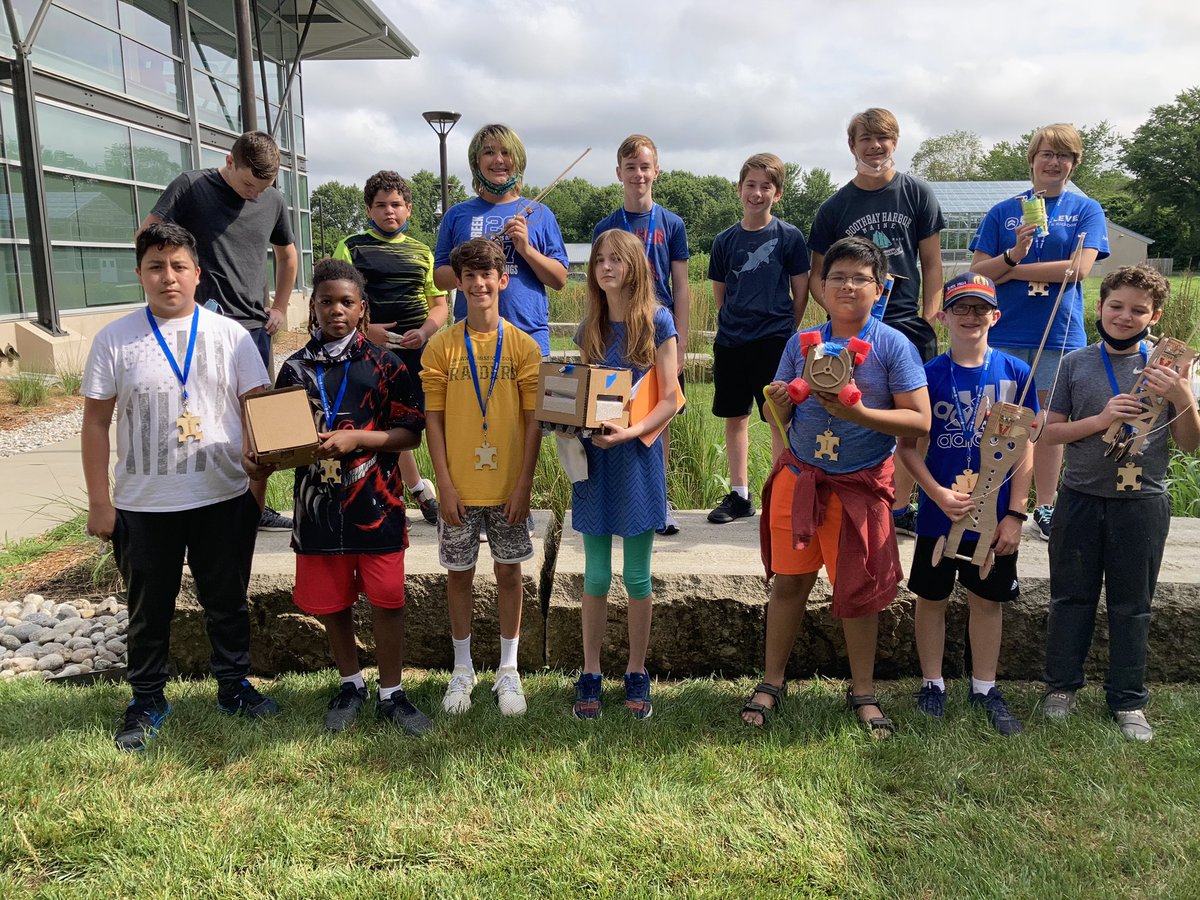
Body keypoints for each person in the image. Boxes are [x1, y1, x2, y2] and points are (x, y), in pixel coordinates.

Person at [81, 223, 278, 752]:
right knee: (149, 608)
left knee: (227, 601)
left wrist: (257, 482)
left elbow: (256, 408)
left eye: (178, 267)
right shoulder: (115, 339)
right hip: (144, 504)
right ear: (140, 273)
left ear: (197, 274)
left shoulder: (231, 335)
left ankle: (233, 687)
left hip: (222, 495)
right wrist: (100, 502)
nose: (167, 277)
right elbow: (96, 423)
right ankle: (146, 698)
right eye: (155, 267)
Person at [742, 236, 929, 737]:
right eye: (838, 277)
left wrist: (858, 412)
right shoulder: (801, 343)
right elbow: (770, 415)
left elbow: (919, 421)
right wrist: (779, 400)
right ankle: (773, 679)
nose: (848, 286)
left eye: (860, 278)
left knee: (858, 592)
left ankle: (863, 690)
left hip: (859, 487)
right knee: (789, 582)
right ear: (822, 287)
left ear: (880, 287)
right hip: (802, 478)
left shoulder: (893, 345)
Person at [1040, 265, 1199, 742]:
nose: (1125, 316)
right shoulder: (1075, 363)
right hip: (1081, 498)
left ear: (1155, 315)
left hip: (1142, 503)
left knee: (1133, 605)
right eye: (1116, 306)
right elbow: (1047, 433)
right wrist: (1101, 418)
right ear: (1099, 306)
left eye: (1138, 310)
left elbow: (1192, 445)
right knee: (1070, 598)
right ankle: (1061, 688)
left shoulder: (1170, 368)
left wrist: (1182, 393)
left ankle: (1128, 700)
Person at [271, 258, 430, 735]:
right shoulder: (295, 368)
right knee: (332, 601)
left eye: (346, 302)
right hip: (318, 507)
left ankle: (391, 692)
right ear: (313, 308)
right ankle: (350, 683)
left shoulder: (386, 365)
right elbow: (281, 440)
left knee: (387, 599)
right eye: (326, 302)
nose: (336, 310)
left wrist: (359, 439)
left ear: (363, 308)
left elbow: (409, 435)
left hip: (376, 504)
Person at [897, 273, 1037, 735]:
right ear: (942, 316)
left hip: (994, 516)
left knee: (986, 601)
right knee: (931, 598)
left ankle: (984, 687)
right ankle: (933, 683)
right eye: (961, 308)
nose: (971, 316)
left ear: (996, 316)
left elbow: (1026, 448)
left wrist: (1016, 513)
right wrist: (934, 493)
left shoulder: (1016, 373)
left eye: (980, 308)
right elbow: (908, 447)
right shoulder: (928, 374)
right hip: (941, 511)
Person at [139, 130, 299, 533]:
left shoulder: (272, 200)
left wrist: (279, 306)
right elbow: (147, 237)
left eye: (262, 188)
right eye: (248, 184)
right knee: (197, 416)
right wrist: (168, 296)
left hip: (252, 330)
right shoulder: (191, 187)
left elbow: (288, 255)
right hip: (197, 329)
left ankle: (253, 512)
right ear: (230, 161)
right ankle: (194, 506)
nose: (253, 195)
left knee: (260, 425)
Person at [969, 123, 1110, 541]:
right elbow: (978, 273)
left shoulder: (1086, 209)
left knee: (1048, 422)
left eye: (1063, 156)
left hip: (1058, 334)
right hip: (1008, 332)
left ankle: (1045, 506)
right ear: (1031, 160)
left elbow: (1078, 270)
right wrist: (1012, 252)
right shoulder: (1004, 211)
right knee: (1002, 419)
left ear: (1074, 163)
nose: (1054, 162)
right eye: (1046, 154)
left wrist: (1012, 267)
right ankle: (994, 496)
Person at [808, 108, 945, 537]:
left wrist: (928, 316)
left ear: (895, 142)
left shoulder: (917, 194)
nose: (875, 146)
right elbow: (817, 274)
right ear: (852, 146)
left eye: (883, 138)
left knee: (912, 422)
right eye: (865, 139)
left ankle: (901, 504)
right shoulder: (835, 206)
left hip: (906, 323)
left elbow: (932, 263)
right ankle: (857, 493)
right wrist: (840, 313)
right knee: (852, 410)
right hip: (854, 331)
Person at [421, 238, 542, 716]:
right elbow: (433, 420)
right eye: (468, 276)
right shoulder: (441, 346)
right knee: (459, 577)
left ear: (502, 280)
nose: (478, 283)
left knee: (509, 574)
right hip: (460, 490)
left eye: (486, 275)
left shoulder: (523, 346)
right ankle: (463, 668)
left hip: (508, 486)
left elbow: (534, 421)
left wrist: (524, 485)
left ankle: (508, 670)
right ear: (458, 283)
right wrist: (443, 484)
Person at [570, 230, 681, 720]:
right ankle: (590, 670)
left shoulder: (657, 321)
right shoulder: (588, 327)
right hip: (595, 459)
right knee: (595, 575)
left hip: (636, 457)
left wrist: (632, 432)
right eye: (599, 260)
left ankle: (637, 670)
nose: (606, 267)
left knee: (636, 576)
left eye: (616, 259)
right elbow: (578, 394)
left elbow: (671, 398)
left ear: (635, 265)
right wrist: (567, 421)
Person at [334, 170, 447, 525]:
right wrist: (366, 330)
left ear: (408, 209)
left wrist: (426, 330)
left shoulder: (422, 251)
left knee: (430, 421)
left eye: (396, 204)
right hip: (370, 350)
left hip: (418, 352)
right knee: (384, 423)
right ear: (369, 209)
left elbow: (440, 305)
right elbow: (336, 300)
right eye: (381, 205)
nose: (389, 211)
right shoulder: (350, 247)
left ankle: (443, 491)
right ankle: (413, 491)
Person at [592, 134, 691, 536]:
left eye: (645, 166)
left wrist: (681, 341)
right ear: (619, 173)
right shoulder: (606, 225)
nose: (638, 174)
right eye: (630, 167)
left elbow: (681, 285)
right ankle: (614, 495)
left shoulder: (672, 223)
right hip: (616, 324)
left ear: (656, 171)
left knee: (658, 412)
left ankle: (658, 499)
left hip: (657, 328)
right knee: (612, 408)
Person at [706, 152, 810, 525]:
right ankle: (739, 495)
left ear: (777, 194)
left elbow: (801, 291)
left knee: (778, 418)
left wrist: (787, 331)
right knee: (736, 418)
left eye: (766, 186)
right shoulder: (724, 241)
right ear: (739, 189)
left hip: (775, 340)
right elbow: (721, 292)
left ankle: (780, 492)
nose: (757, 192)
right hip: (732, 341)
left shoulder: (789, 237)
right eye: (750, 185)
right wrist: (731, 323)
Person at [433, 123, 568, 356]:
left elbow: (559, 279)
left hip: (529, 337)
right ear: (476, 161)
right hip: (471, 339)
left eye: (506, 152)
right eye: (489, 152)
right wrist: (472, 259)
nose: (498, 160)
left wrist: (526, 249)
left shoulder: (539, 213)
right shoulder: (456, 215)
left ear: (518, 160)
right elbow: (439, 279)